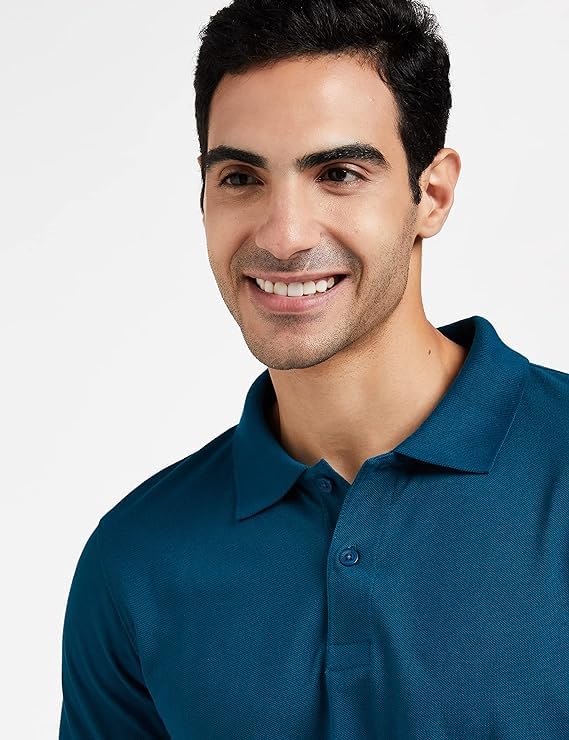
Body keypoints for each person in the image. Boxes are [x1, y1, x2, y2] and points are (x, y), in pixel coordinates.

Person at [59, 0, 569, 738]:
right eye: (241, 177)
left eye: (337, 172)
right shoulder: (134, 558)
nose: (284, 235)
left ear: (431, 195)